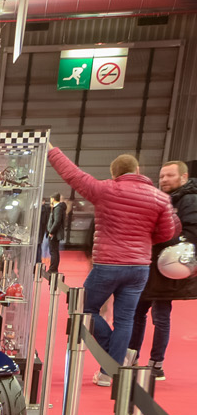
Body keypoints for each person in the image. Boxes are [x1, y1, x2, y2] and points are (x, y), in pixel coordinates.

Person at [47, 148, 179, 384]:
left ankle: (112, 362)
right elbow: (167, 233)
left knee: (83, 308)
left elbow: (72, 174)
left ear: (114, 174)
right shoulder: (160, 198)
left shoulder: (105, 189)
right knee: (125, 320)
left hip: (107, 264)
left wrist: (52, 150)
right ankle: (110, 372)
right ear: (137, 170)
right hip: (139, 267)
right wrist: (143, 241)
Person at [128, 161, 197, 381]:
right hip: (150, 266)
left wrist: (160, 237)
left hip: (168, 269)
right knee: (137, 313)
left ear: (183, 177)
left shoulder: (189, 200)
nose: (164, 180)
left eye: (169, 175)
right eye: (162, 176)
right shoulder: (164, 198)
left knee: (160, 316)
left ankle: (156, 364)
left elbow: (191, 234)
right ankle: (131, 358)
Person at [45, 194, 68, 274]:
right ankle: (53, 268)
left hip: (54, 234)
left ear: (53, 199)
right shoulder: (59, 208)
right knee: (54, 251)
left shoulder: (58, 208)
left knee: (53, 252)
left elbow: (57, 221)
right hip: (55, 233)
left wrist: (51, 232)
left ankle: (53, 269)